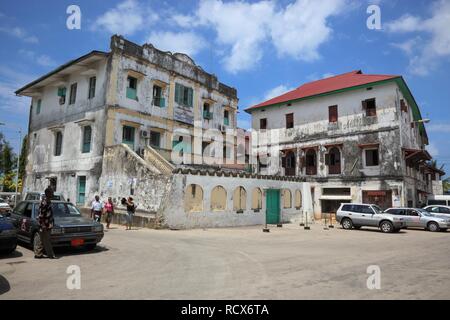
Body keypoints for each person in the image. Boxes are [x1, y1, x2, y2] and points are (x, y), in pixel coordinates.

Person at [35, 187, 57, 259]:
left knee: (41, 240)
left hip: (47, 224)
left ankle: (38, 254)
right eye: (52, 193)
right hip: (44, 224)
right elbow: (41, 215)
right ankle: (51, 255)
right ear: (48, 194)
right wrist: (43, 225)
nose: (53, 194)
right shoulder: (45, 202)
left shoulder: (48, 201)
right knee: (47, 240)